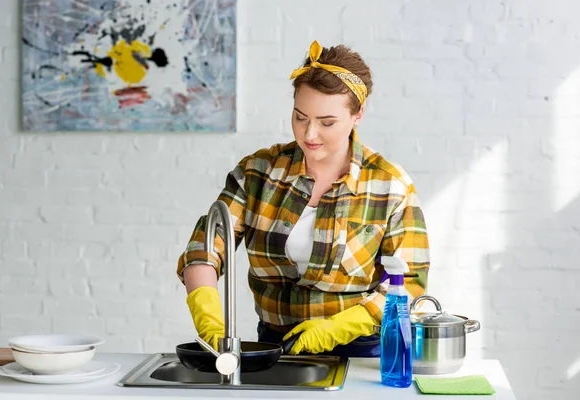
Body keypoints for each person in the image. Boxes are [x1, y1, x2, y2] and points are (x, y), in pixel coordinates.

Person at [176, 40, 430, 358]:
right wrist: (211, 326)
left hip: (359, 352)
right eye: (300, 117)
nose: (309, 134)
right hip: (273, 347)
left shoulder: (389, 186)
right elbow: (204, 250)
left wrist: (341, 327)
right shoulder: (257, 173)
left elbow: (412, 279)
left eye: (326, 122)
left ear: (358, 114)